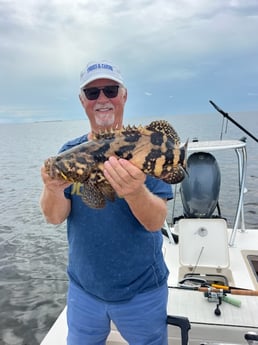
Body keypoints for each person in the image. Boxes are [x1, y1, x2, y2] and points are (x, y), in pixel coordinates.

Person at [40, 60, 173, 345]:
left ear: (124, 96)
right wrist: (52, 189)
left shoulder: (144, 146)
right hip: (83, 292)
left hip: (142, 292)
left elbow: (155, 222)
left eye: (110, 90)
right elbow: (53, 217)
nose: (102, 99)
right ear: (82, 101)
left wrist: (135, 191)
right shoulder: (68, 153)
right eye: (92, 93)